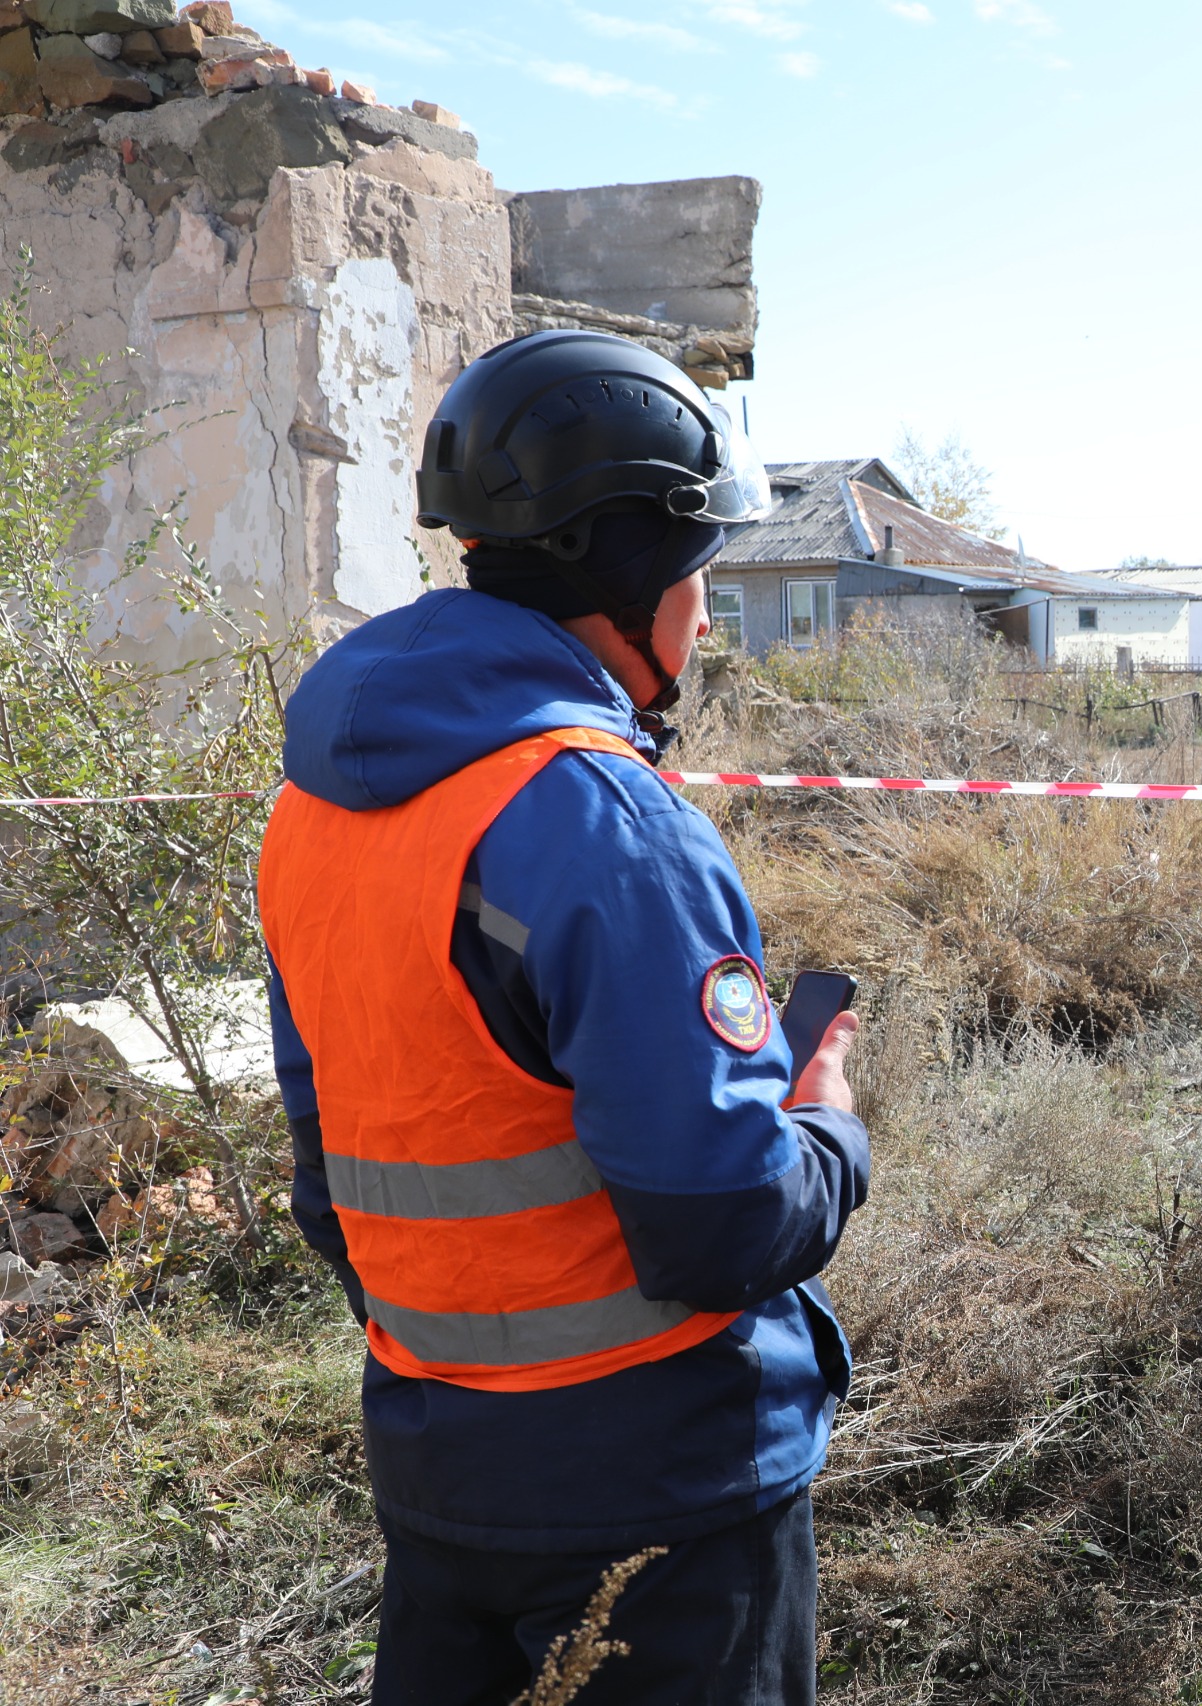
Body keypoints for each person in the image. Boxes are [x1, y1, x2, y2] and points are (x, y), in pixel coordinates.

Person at [260, 329, 873, 1705]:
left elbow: (329, 1186)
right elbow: (723, 1223)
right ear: (626, 562)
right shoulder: (603, 821)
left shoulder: (312, 814)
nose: (706, 615)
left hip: (434, 1466)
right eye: (699, 569)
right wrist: (830, 1124)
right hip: (663, 1492)